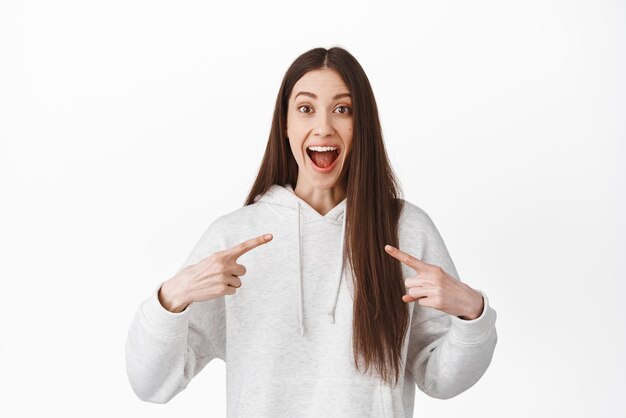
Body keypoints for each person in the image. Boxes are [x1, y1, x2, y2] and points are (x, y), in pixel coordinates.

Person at [124, 46, 498, 417]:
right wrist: (171, 297)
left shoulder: (406, 230)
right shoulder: (234, 239)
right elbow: (152, 384)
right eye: (306, 109)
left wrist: (472, 313)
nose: (323, 126)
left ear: (362, 124)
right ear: (285, 125)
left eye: (342, 109)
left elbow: (442, 381)